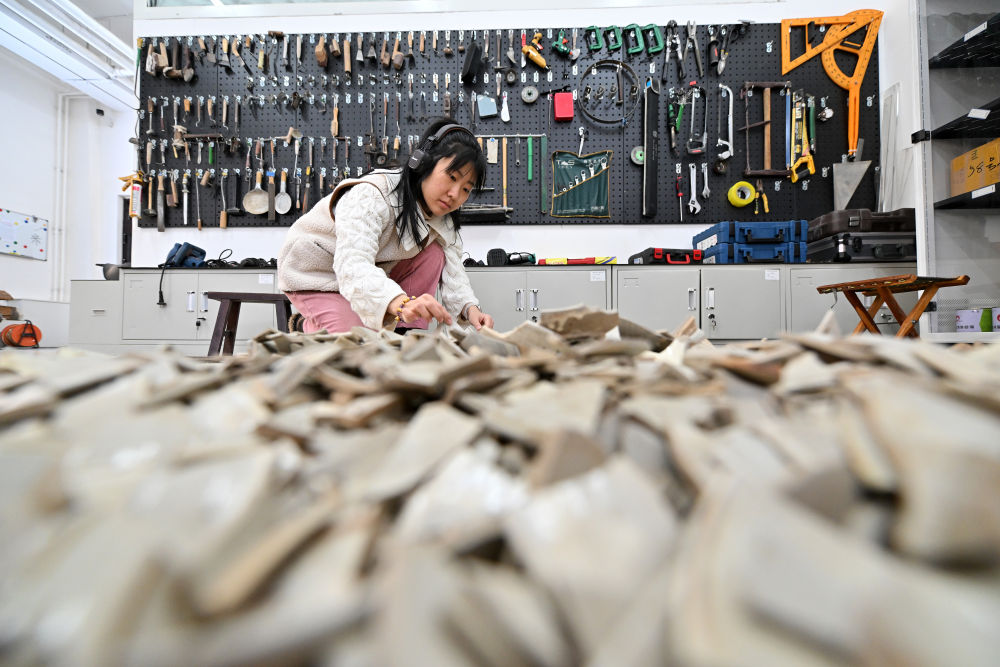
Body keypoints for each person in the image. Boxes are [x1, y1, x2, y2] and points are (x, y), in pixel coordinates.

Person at [277, 118, 495, 334]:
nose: (455, 194)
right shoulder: (372, 195)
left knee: (435, 253)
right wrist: (400, 303)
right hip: (317, 273)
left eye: (466, 189)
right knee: (357, 340)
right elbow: (353, 265)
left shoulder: (443, 217)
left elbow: (454, 272)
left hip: (366, 272)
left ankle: (397, 333)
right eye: (452, 177)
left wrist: (470, 309)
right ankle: (305, 325)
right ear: (423, 164)